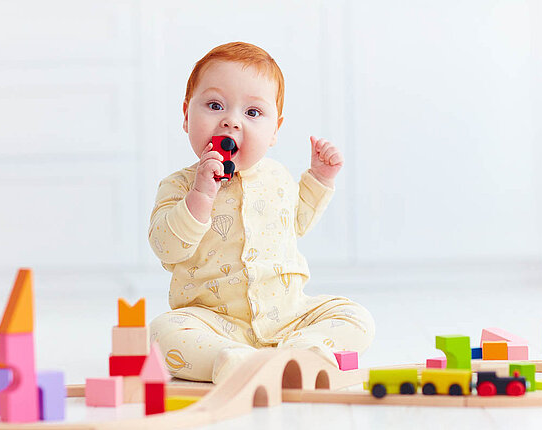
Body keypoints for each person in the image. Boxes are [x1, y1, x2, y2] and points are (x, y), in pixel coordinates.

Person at [148, 41, 375, 383]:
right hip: (213, 321)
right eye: (215, 105)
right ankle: (232, 359)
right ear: (186, 115)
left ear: (274, 131)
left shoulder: (278, 177)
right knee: (161, 333)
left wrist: (320, 178)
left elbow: (296, 222)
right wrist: (201, 195)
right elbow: (167, 249)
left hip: (288, 315)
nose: (231, 122)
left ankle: (301, 350)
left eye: (252, 113)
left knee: (356, 318)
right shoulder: (178, 186)